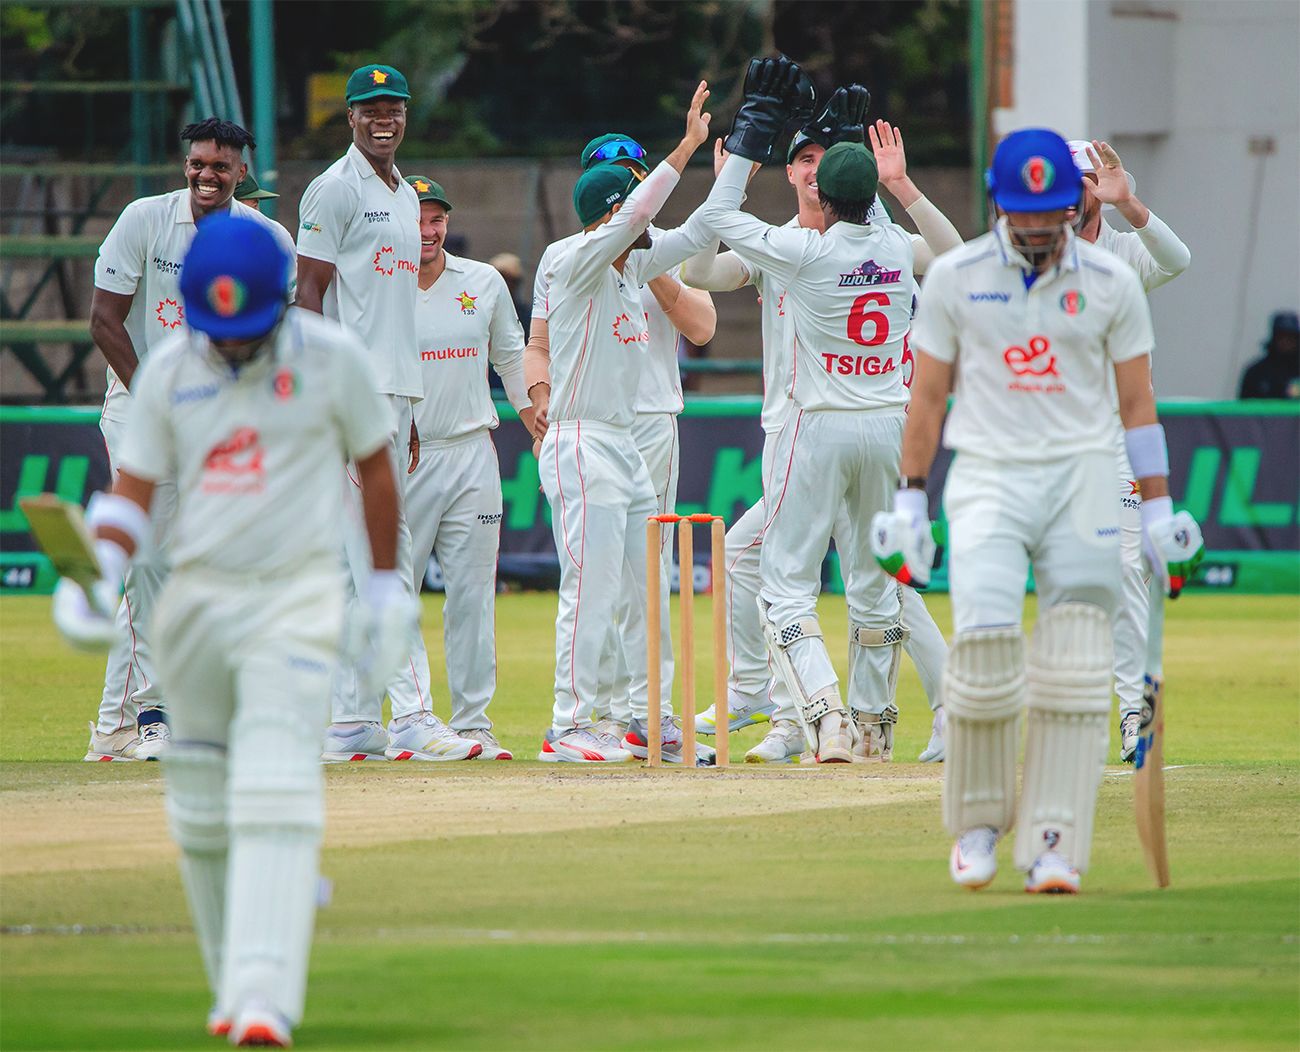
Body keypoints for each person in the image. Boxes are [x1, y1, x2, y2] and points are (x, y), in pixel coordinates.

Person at [51, 215, 415, 1046]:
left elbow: (375, 470)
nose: (236, 350)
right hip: (198, 601)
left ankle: (265, 1000)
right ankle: (230, 990)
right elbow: (133, 495)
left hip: (296, 595)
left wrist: (389, 588)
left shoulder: (332, 359)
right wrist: (98, 574)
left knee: (279, 783)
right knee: (203, 810)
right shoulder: (172, 371)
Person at [872, 128, 1203, 894]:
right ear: (1000, 205)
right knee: (985, 648)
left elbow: (1137, 403)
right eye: (1024, 217)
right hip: (989, 476)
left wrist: (1156, 513)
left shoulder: (1114, 280)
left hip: (1084, 478)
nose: (1037, 232)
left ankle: (1055, 840)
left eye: (1051, 215)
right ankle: (981, 823)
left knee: (1076, 668)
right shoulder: (956, 278)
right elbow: (925, 397)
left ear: (1074, 204)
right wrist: (909, 500)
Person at [683, 111, 960, 764]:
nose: (808, 171)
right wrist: (900, 183)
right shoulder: (892, 246)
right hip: (886, 426)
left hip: (815, 430)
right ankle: (867, 727)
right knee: (874, 583)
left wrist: (731, 173)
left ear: (825, 192)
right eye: (798, 159)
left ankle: (824, 717)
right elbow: (951, 252)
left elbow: (710, 238)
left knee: (791, 586)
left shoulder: (798, 250)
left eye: (818, 164)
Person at [86, 117, 295, 762]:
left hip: (223, 419)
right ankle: (153, 711)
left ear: (241, 174)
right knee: (149, 558)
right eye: (198, 164)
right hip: (138, 406)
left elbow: (276, 334)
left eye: (221, 168)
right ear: (187, 164)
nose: (207, 176)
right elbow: (104, 319)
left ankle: (116, 728)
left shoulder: (267, 238)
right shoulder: (145, 219)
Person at [534, 83, 714, 763]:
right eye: (632, 219)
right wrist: (687, 146)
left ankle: (648, 716)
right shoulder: (573, 262)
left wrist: (736, 160)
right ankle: (569, 725)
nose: (645, 233)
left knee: (647, 582)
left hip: (624, 446)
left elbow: (695, 234)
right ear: (612, 218)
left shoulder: (626, 268)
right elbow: (642, 209)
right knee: (591, 586)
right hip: (580, 440)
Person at [295, 63, 439, 762]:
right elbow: (307, 296)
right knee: (391, 550)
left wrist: (407, 406)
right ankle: (413, 714)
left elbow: (392, 309)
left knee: (357, 561)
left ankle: (351, 719)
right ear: (349, 116)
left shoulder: (406, 194)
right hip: (354, 392)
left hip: (397, 391)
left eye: (395, 108)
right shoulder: (333, 188)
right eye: (371, 108)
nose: (385, 118)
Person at [383, 177, 535, 760]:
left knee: (473, 595)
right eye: (417, 219)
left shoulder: (483, 280)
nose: (427, 230)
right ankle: (408, 718)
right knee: (397, 589)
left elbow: (512, 357)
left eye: (436, 219)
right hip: (405, 455)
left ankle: (473, 722)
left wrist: (536, 421)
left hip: (472, 451)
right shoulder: (378, 284)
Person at [1067, 138, 1191, 762]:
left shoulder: (1122, 251)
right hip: (1058, 441)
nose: (1077, 194)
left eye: (1086, 182)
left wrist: (1130, 203)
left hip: (1120, 437)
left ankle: (1135, 718)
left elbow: (1179, 258)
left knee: (1123, 571)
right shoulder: (1039, 253)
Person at [1239, 310, 1299, 399]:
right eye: (1281, 337)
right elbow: (1244, 407)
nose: (1286, 342)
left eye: (1290, 337)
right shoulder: (1256, 372)